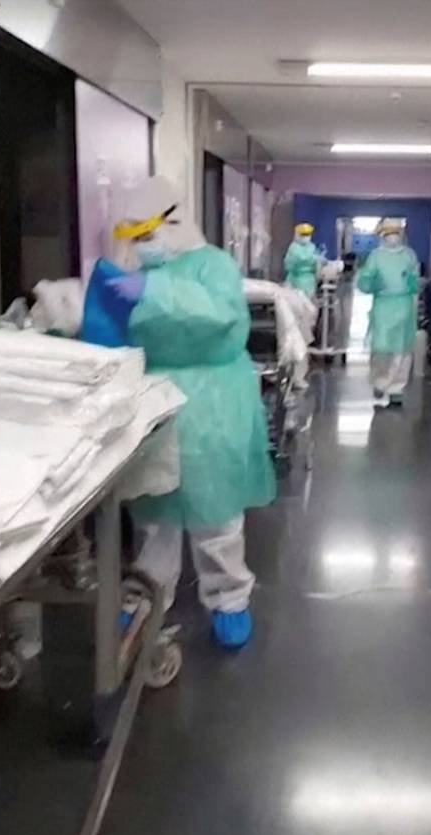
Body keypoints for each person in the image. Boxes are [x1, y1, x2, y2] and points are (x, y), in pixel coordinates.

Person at [112, 176, 276, 649]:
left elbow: (217, 317)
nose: (142, 247)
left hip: (213, 400)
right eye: (135, 238)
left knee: (215, 510)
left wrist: (152, 291)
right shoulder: (132, 271)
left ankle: (230, 598)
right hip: (155, 397)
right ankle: (144, 598)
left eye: (148, 236)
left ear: (173, 221)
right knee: (155, 510)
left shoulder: (214, 266)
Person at [357, 223, 419, 407]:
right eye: (389, 234)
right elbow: (365, 281)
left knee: (402, 349)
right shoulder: (376, 256)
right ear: (382, 236)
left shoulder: (408, 255)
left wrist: (411, 283)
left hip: (404, 305)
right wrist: (372, 282)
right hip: (383, 305)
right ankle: (380, 383)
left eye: (396, 234)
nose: (393, 237)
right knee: (381, 348)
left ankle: (397, 388)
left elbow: (414, 278)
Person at [284, 223, 320, 296]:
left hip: (310, 282)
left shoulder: (311, 247)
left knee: (308, 304)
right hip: (295, 281)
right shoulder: (294, 248)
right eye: (303, 235)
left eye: (308, 234)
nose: (306, 237)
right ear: (297, 235)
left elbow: (316, 264)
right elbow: (289, 265)